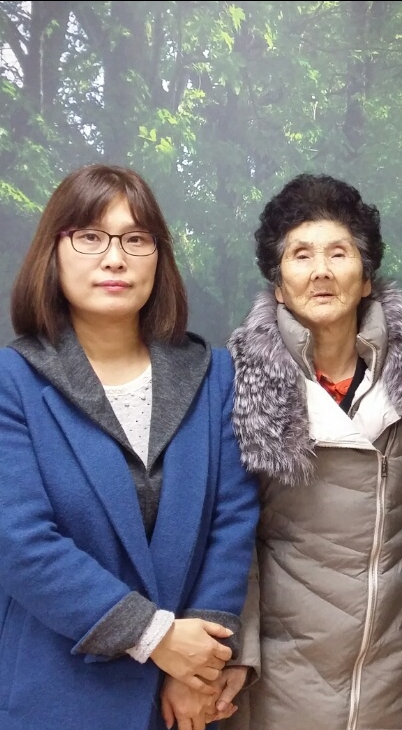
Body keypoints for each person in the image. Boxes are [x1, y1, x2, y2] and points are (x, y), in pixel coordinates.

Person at [0, 164, 259, 730]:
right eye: (90, 236)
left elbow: (232, 520)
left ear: (159, 258)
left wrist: (199, 665)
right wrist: (155, 637)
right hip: (57, 691)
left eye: (136, 239)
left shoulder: (213, 374)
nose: (115, 258)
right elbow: (18, 540)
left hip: (183, 701)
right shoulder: (11, 380)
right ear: (53, 251)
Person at [215, 173, 402, 730]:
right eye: (301, 255)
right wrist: (238, 650)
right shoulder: (237, 384)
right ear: (279, 285)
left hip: (396, 663)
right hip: (279, 670)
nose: (320, 270)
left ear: (366, 278)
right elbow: (230, 532)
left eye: (338, 253)